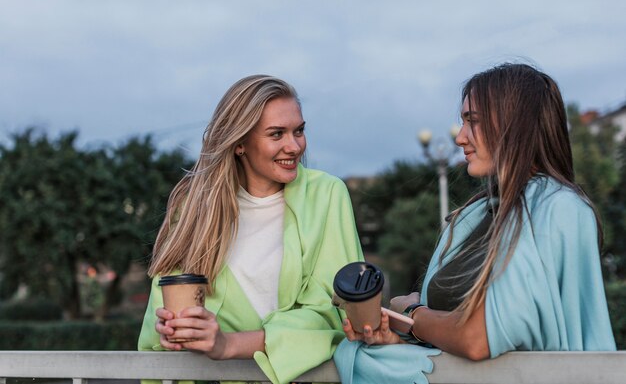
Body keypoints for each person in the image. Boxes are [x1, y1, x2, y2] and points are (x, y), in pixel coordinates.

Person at [335, 63, 616, 384]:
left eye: (474, 122)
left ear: (515, 124)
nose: (461, 138)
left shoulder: (558, 207)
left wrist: (413, 315)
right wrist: (400, 340)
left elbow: (479, 338)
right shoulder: (474, 215)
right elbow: (456, 341)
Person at [138, 75, 363, 384]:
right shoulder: (193, 206)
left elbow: (333, 313)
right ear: (240, 143)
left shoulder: (327, 195)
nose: (294, 145)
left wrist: (228, 344)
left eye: (299, 131)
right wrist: (171, 330)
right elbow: (160, 312)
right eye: (276, 134)